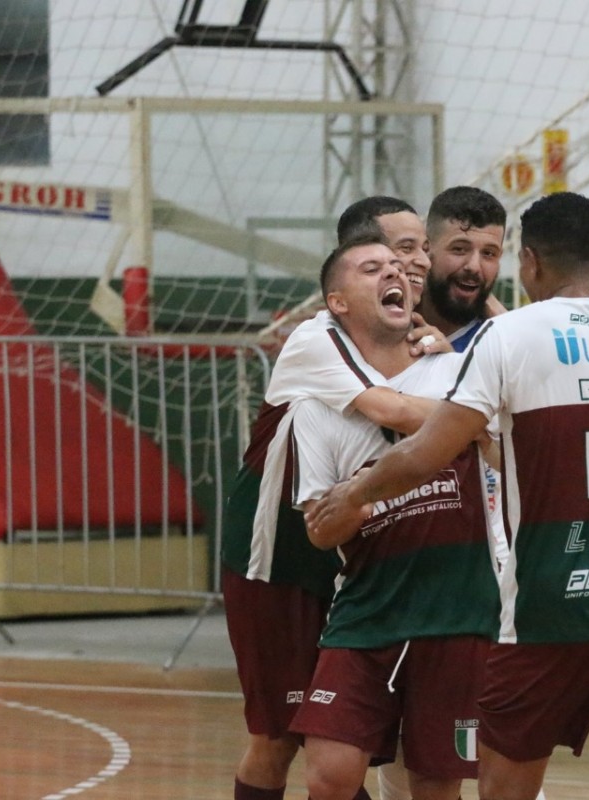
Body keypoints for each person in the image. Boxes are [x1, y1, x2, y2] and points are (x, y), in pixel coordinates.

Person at [305, 191, 589, 800]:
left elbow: (426, 451)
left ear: (529, 264)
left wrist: (354, 492)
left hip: (551, 597)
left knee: (504, 781)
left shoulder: (509, 336)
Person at [222, 198, 445, 800]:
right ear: (340, 290)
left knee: (344, 735)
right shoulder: (317, 337)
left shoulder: (424, 342)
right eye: (398, 252)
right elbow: (393, 411)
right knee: (281, 736)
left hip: (361, 563)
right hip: (280, 558)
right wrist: (480, 414)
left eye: (422, 249)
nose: (414, 262)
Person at [288, 235, 499, 800]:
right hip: (367, 608)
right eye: (372, 268)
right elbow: (319, 529)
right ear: (339, 302)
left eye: (399, 268)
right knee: (328, 775)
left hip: (457, 607)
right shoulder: (317, 404)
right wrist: (358, 500)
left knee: (436, 784)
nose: (395, 275)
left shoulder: (455, 370)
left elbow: (500, 444)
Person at [418, 186, 508, 352]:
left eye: (488, 253)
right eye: (459, 249)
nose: (474, 267)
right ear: (426, 248)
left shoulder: (503, 347)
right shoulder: (387, 325)